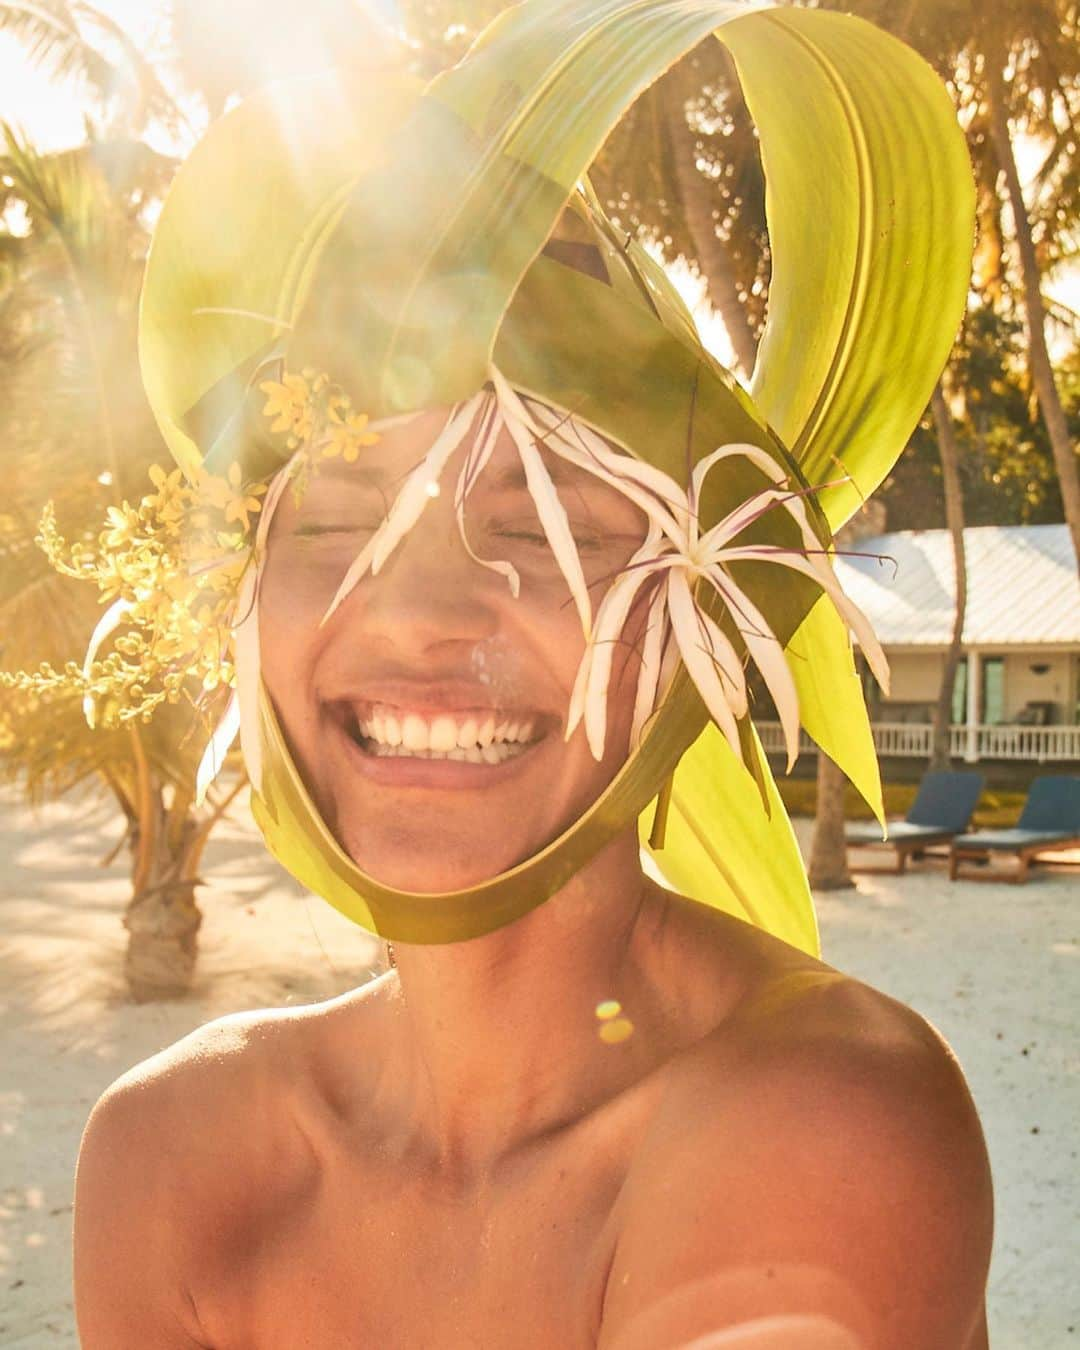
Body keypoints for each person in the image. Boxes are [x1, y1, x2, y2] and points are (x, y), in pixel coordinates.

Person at [70, 2, 992, 1345]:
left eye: (546, 521)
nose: (422, 611)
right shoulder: (171, 1157)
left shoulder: (821, 1128)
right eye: (336, 515)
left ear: (709, 602)